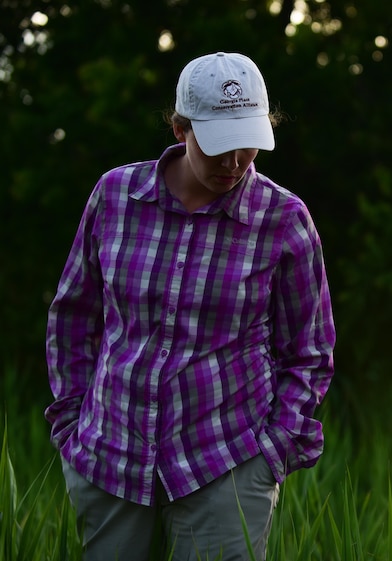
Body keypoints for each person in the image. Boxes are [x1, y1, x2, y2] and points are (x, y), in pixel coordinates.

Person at [45, 51, 336, 561]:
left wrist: (274, 453)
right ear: (181, 128)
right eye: (220, 145)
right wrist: (71, 423)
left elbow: (309, 353)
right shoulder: (114, 196)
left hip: (226, 460)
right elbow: (72, 315)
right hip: (110, 455)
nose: (235, 162)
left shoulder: (285, 220)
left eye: (248, 143)